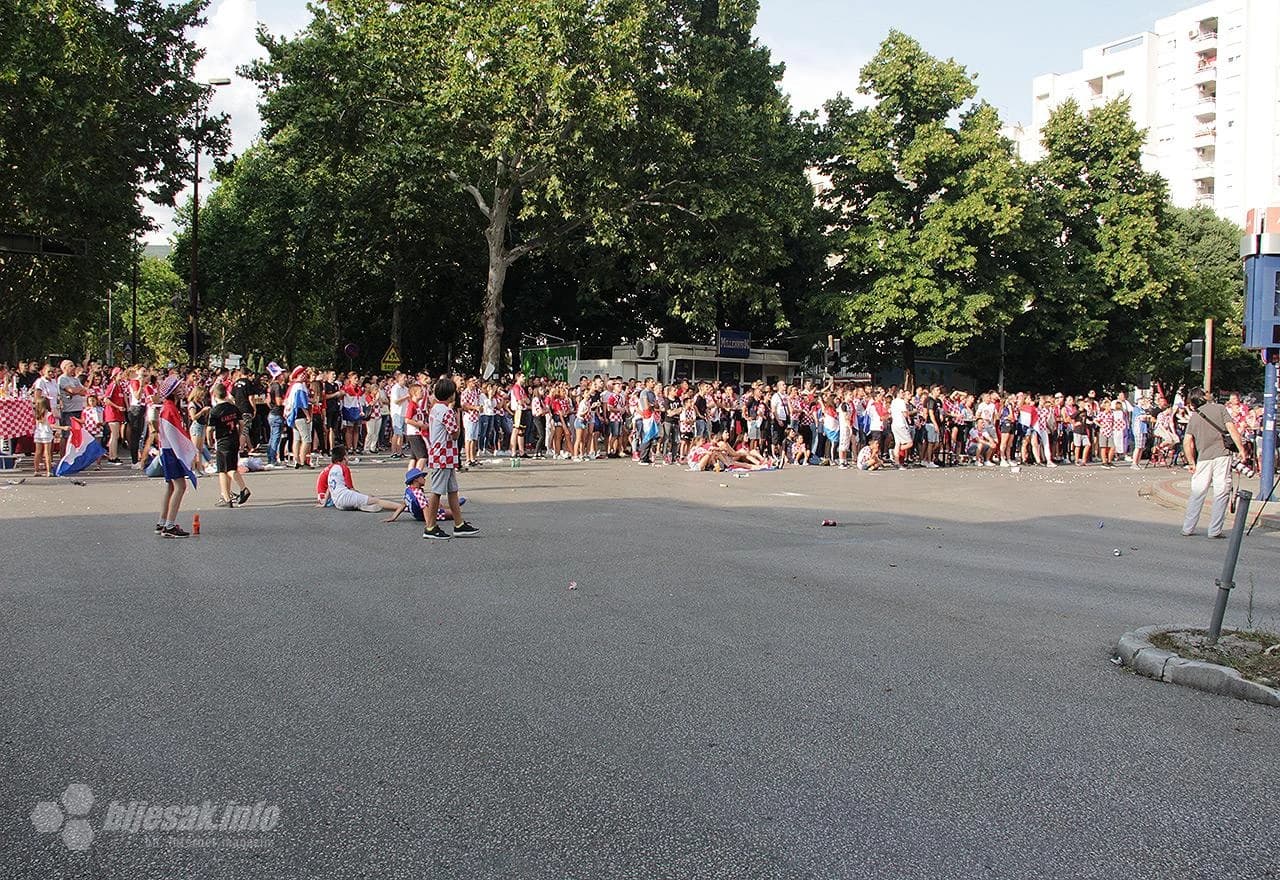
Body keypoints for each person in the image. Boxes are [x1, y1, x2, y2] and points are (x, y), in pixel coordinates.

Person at [1181, 389, 1246, 538]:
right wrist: (1241, 449)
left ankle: (1187, 527)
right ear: (1204, 397)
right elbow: (1232, 429)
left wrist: (1191, 462)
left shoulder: (1194, 417)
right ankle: (1214, 530)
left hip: (1203, 458)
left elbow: (1187, 442)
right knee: (1221, 491)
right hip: (1222, 455)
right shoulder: (1220, 408)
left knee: (1197, 493)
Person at [421, 377, 480, 540]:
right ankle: (430, 526)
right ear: (450, 394)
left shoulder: (435, 408)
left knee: (452, 490)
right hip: (443, 455)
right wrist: (457, 415)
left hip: (441, 454)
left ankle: (459, 523)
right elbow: (455, 434)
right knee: (437, 491)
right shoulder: (446, 411)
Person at [155, 375, 198, 538]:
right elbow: (175, 434)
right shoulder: (170, 408)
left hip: (167, 450)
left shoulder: (168, 407)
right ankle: (170, 525)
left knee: (171, 487)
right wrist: (187, 452)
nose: (182, 389)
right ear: (172, 391)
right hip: (172, 452)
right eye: (179, 387)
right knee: (180, 486)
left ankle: (162, 521)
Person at [316, 445, 401, 512]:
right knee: (376, 500)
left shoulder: (332, 469)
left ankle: (362, 505)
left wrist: (324, 503)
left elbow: (329, 488)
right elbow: (351, 488)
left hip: (337, 503)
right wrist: (363, 495)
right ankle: (401, 507)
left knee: (360, 499)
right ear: (344, 457)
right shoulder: (344, 468)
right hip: (344, 497)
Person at [207, 383, 251, 508]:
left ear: (215, 395)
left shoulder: (215, 410)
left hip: (223, 441)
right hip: (233, 438)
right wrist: (240, 434)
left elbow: (210, 429)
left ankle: (242, 489)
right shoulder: (232, 407)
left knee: (225, 470)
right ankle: (226, 496)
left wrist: (209, 440)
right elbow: (241, 422)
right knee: (229, 467)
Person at [284, 366, 312, 468]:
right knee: (306, 439)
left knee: (296, 439)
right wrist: (308, 415)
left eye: (304, 373)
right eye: (301, 374)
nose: (304, 375)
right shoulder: (300, 386)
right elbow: (301, 403)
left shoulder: (293, 386)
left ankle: (297, 460)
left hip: (292, 415)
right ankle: (303, 461)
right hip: (299, 415)